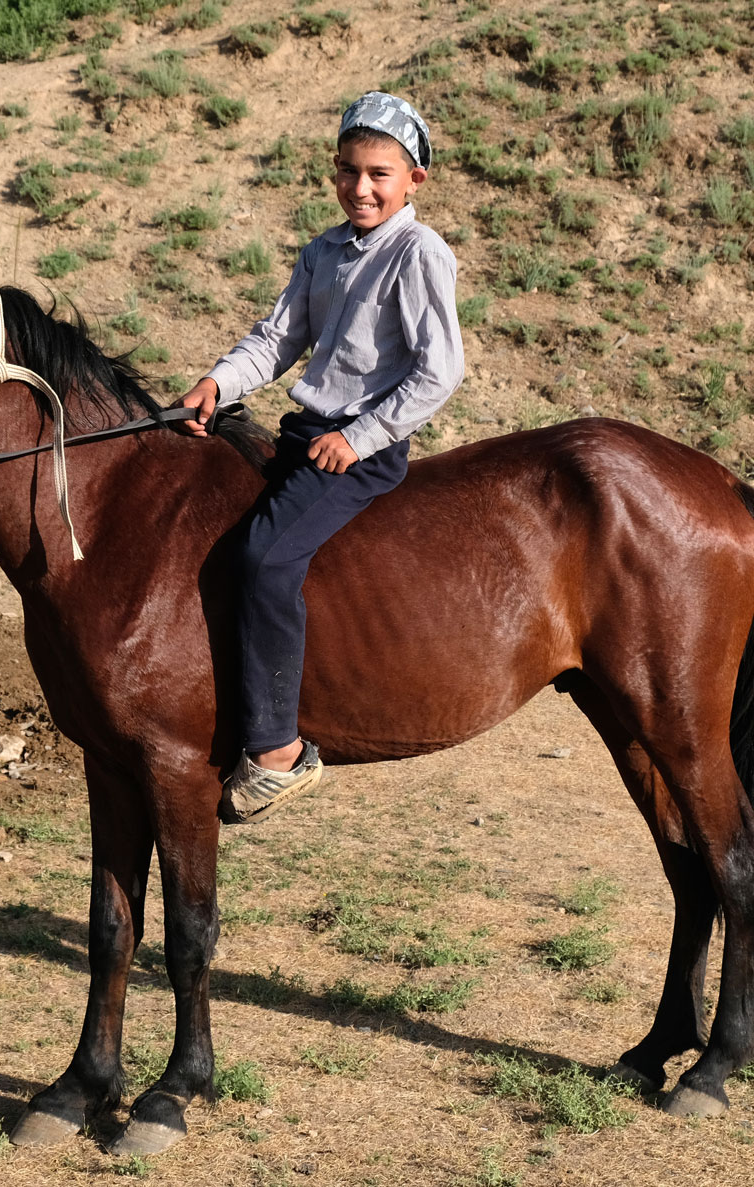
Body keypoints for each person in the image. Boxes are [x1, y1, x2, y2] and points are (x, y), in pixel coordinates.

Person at [178, 91, 465, 824]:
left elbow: (439, 371)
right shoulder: (323, 252)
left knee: (266, 560)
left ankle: (275, 752)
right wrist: (217, 380)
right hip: (307, 436)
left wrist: (362, 436)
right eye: (346, 171)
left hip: (358, 452)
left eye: (378, 174)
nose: (359, 188)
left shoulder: (417, 252)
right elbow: (276, 340)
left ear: (413, 181)